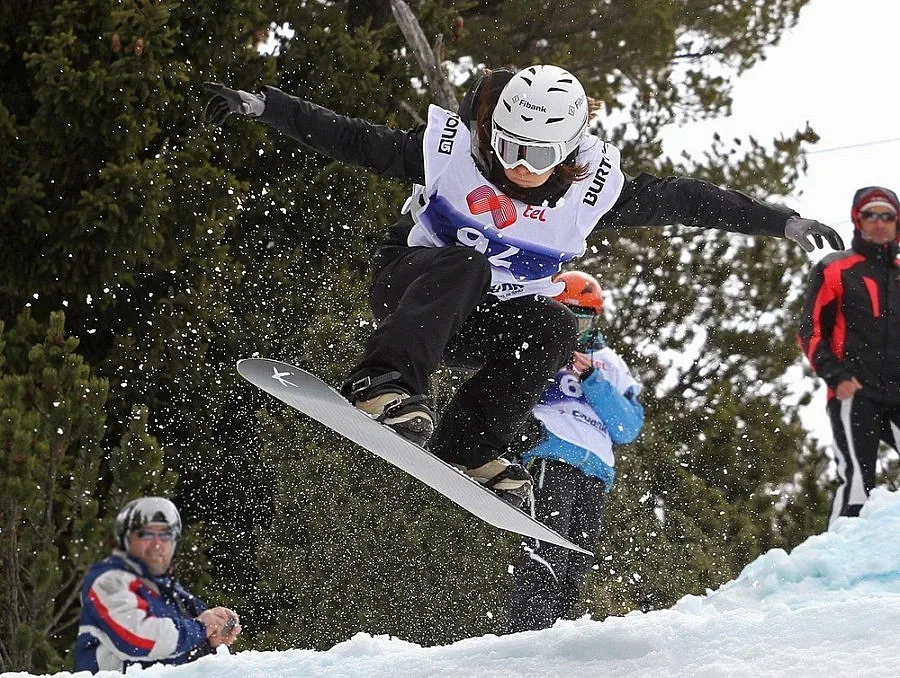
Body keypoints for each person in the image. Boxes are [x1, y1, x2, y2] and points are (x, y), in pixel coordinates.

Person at [204, 64, 842, 502]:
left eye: (538, 158)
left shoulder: (594, 194)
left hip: (476, 323)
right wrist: (268, 106)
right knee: (468, 262)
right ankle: (381, 383)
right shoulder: (450, 153)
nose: (518, 168)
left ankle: (469, 441)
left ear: (566, 153)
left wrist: (778, 221)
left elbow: (689, 201)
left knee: (555, 324)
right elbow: (350, 137)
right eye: (508, 147)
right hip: (411, 287)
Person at [504, 270, 643, 632]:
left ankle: (560, 639)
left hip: (596, 468)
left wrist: (591, 380)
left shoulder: (610, 363)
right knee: (546, 549)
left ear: (594, 320)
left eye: (581, 319)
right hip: (552, 452)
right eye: (566, 315)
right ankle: (528, 633)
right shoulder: (542, 342)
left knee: (575, 565)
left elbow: (628, 427)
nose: (574, 328)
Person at [798, 186, 900, 528]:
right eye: (872, 214)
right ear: (858, 219)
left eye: (887, 216)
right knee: (859, 480)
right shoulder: (836, 269)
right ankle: (839, 569)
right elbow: (810, 332)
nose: (880, 223)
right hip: (854, 392)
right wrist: (836, 376)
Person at [74, 497, 241, 673]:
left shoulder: (172, 591)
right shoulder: (108, 580)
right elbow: (135, 638)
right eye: (146, 534)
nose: (157, 544)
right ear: (126, 540)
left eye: (165, 535)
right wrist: (201, 628)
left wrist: (213, 642)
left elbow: (185, 651)